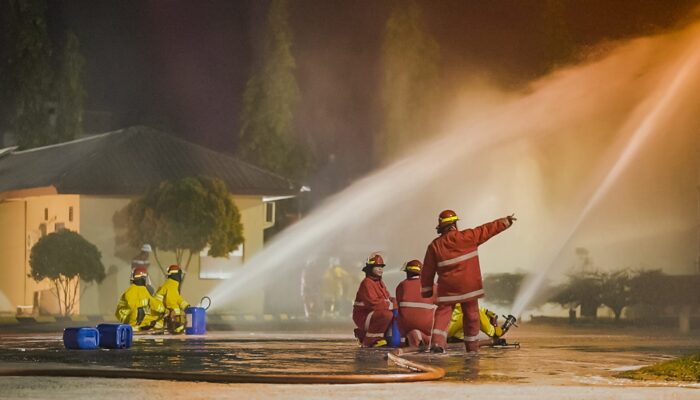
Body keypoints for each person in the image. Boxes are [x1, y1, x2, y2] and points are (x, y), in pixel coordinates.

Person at [422, 210, 516, 354]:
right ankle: (472, 349)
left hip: (448, 289)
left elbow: (427, 271)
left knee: (443, 314)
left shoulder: (434, 246)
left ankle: (437, 344)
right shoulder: (468, 237)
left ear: (441, 226)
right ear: (454, 224)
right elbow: (486, 230)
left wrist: (427, 290)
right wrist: (505, 221)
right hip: (469, 287)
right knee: (472, 316)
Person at [352, 254, 397, 347]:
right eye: (377, 267)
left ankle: (363, 334)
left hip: (372, 314)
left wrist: (398, 301)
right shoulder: (367, 283)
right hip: (363, 316)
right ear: (370, 268)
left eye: (381, 267)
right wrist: (391, 305)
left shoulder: (379, 282)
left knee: (393, 313)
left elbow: (387, 297)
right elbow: (373, 303)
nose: (380, 269)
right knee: (386, 315)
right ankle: (371, 340)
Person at [395, 259, 437, 350]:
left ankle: (410, 338)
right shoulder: (432, 285)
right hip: (427, 325)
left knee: (398, 314)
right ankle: (427, 339)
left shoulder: (401, 285)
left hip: (407, 325)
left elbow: (398, 304)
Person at [115, 267, 165, 331]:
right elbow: (133, 306)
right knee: (140, 310)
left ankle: (147, 325)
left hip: (138, 321)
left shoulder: (142, 290)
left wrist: (163, 310)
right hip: (130, 320)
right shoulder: (132, 290)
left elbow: (152, 303)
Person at [155, 265, 190, 333]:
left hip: (160, 314)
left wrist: (186, 306)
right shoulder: (171, 285)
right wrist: (178, 315)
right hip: (158, 317)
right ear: (177, 274)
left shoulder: (171, 283)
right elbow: (171, 303)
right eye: (180, 274)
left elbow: (177, 298)